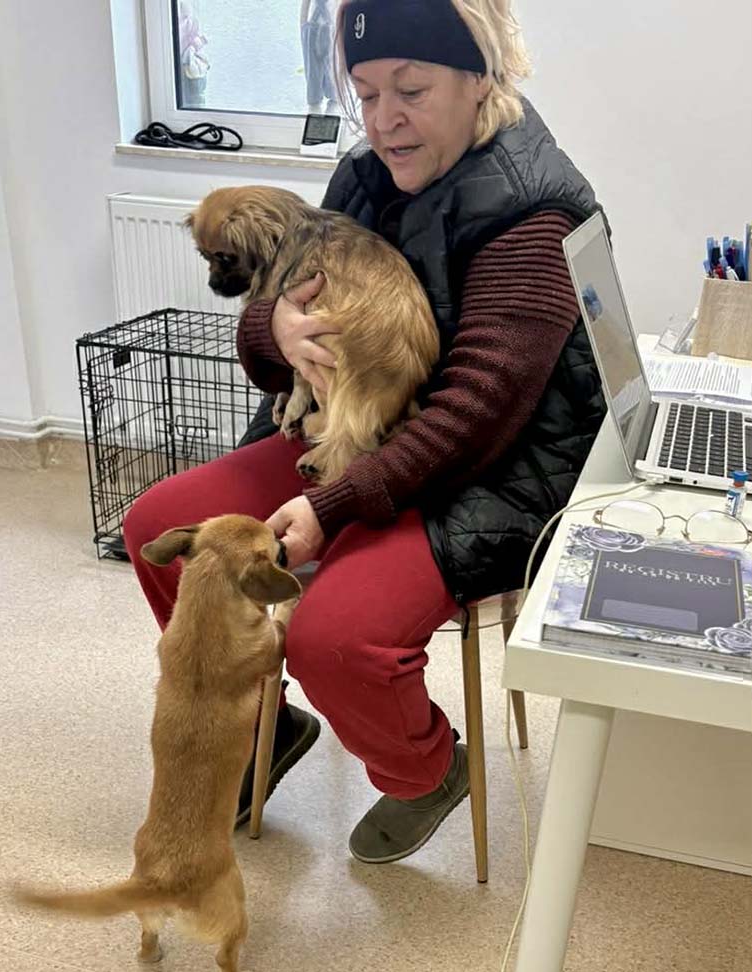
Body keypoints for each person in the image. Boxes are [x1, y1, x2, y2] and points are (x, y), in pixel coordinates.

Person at [123, 0, 606, 865]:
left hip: (491, 470)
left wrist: (332, 506)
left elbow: (475, 415)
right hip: (358, 427)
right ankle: (262, 720)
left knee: (336, 636)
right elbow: (282, 306)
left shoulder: (534, 215)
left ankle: (426, 768)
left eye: (410, 91)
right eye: (366, 92)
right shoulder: (364, 174)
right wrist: (274, 330)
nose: (384, 121)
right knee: (164, 530)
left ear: (481, 79)